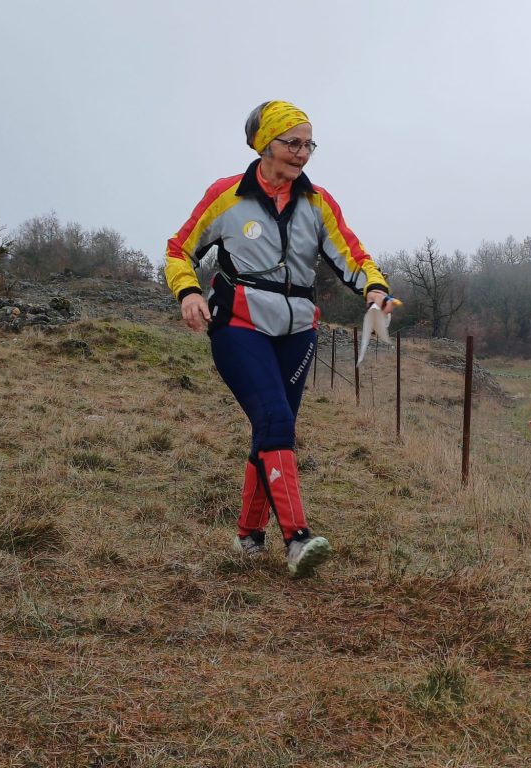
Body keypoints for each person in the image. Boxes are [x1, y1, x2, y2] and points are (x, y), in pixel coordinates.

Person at [165, 100, 397, 578]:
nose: (302, 153)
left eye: (309, 144)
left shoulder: (318, 202)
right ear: (264, 144)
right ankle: (297, 538)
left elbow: (353, 257)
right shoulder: (226, 196)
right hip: (239, 325)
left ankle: (249, 536)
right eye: (293, 143)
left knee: (274, 427)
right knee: (274, 418)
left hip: (298, 331)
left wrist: (375, 289)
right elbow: (178, 250)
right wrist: (188, 293)